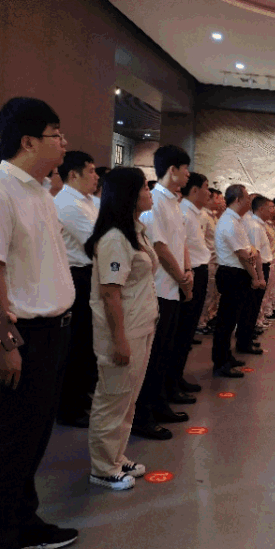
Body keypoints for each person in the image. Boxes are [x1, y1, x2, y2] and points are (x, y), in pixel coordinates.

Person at [0, 97, 78, 549]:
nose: (63, 143)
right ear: (28, 141)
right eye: (56, 134)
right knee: (11, 441)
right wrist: (5, 342)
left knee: (33, 438)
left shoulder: (39, 192)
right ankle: (4, 539)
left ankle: (24, 522)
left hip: (53, 332)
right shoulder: (3, 190)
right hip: (24, 335)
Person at [85, 167, 158, 490]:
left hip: (140, 325)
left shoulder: (135, 231)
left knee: (128, 397)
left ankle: (116, 455)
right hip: (123, 331)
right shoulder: (115, 238)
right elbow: (110, 293)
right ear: (129, 194)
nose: (149, 192)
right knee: (113, 397)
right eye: (145, 188)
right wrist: (119, 340)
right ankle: (102, 467)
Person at [133, 145, 193, 441]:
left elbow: (180, 242)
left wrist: (187, 272)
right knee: (153, 356)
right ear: (172, 170)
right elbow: (159, 246)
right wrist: (182, 277)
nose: (188, 174)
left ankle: (159, 404)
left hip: (173, 288)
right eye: (185, 168)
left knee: (165, 352)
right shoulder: (156, 201)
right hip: (160, 288)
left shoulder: (173, 202)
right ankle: (143, 416)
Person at [54, 151, 100, 428]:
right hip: (78, 275)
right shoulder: (68, 203)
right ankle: (69, 408)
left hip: (89, 273)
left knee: (87, 343)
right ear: (73, 174)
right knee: (78, 343)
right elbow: (97, 241)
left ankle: (82, 397)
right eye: (91, 171)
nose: (96, 176)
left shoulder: (88, 201)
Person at [212, 184, 264, 378]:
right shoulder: (229, 222)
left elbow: (249, 251)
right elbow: (244, 254)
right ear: (237, 200)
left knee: (231, 319)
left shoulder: (236, 220)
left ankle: (226, 355)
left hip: (236, 273)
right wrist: (255, 277)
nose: (250, 201)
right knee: (226, 322)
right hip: (231, 273)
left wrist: (251, 258)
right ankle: (220, 363)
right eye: (247, 197)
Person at [168, 172, 211, 394]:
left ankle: (177, 377)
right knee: (181, 331)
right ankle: (171, 382)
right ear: (194, 190)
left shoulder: (194, 213)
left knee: (188, 331)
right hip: (188, 274)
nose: (209, 193)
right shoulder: (184, 212)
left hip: (197, 271)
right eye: (206, 187)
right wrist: (186, 274)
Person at [237, 194, 274, 354]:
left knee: (254, 306)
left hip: (261, 267)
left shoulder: (258, 224)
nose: (273, 211)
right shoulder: (254, 226)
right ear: (261, 209)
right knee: (251, 307)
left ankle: (247, 337)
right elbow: (255, 254)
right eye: (270, 208)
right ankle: (244, 342)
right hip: (259, 268)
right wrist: (259, 277)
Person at [196, 188, 223, 334]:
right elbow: (201, 241)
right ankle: (200, 323)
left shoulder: (213, 217)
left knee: (213, 294)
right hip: (208, 261)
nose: (221, 201)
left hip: (216, 261)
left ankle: (209, 319)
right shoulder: (203, 216)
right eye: (218, 198)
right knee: (207, 294)